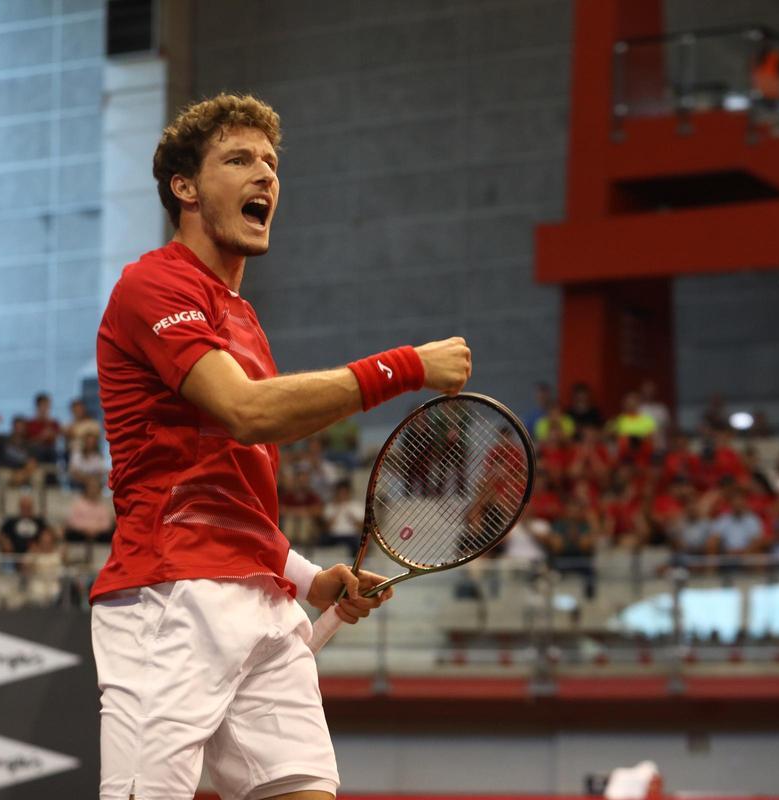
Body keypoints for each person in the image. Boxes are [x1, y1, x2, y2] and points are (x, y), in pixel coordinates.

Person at [89, 93, 471, 799]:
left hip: (261, 604)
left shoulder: (244, 321)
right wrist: (405, 367)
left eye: (271, 162)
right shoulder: (152, 285)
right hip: (170, 600)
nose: (264, 175)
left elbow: (228, 492)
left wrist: (305, 579)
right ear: (185, 188)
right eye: (239, 160)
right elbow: (245, 413)